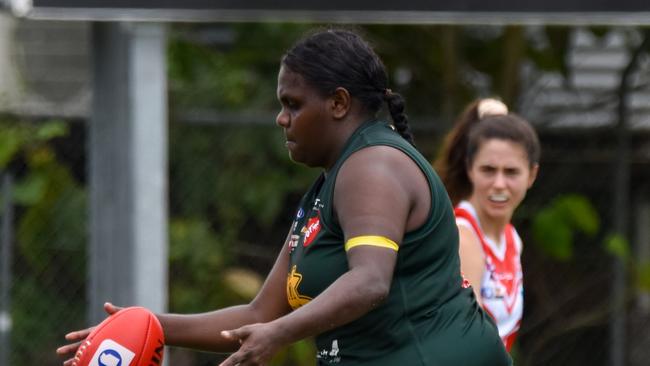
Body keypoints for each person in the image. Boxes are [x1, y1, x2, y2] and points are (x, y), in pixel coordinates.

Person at [57, 29, 511, 366]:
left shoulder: (374, 165)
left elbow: (371, 281)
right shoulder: (327, 186)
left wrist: (277, 334)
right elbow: (258, 312)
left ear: (338, 103)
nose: (281, 118)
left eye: (293, 104)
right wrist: (149, 324)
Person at [434, 98, 540, 352]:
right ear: (470, 169)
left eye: (511, 172)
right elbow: (470, 343)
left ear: (532, 175)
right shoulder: (463, 236)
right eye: (489, 170)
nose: (499, 184)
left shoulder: (512, 239)